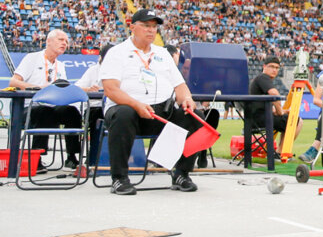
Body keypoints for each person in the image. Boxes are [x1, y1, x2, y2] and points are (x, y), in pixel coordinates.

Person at [101, 10, 203, 195]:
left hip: (161, 112)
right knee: (124, 113)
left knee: (195, 115)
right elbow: (111, 89)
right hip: (128, 111)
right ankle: (119, 178)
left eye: (154, 27)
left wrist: (187, 99)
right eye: (146, 25)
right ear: (132, 27)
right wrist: (136, 105)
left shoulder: (163, 54)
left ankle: (181, 173)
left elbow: (180, 86)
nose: (151, 30)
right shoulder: (117, 53)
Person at [10, 29, 83, 171]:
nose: (64, 43)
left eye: (66, 41)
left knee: (71, 111)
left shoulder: (61, 66)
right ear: (48, 41)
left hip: (52, 106)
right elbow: (13, 82)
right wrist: (38, 88)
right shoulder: (32, 58)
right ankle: (37, 157)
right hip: (28, 108)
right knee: (44, 111)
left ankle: (72, 156)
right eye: (61, 40)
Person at [166, 44, 220, 168]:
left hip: (197, 111)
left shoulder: (198, 82)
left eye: (188, 69)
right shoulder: (174, 81)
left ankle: (202, 151)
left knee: (213, 114)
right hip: (181, 112)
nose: (186, 71)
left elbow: (206, 100)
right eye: (184, 68)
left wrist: (204, 105)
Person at [248, 55, 302, 149]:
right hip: (259, 120)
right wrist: (280, 111)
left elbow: (261, 104)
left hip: (255, 119)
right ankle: (282, 151)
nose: (274, 70)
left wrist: (278, 111)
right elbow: (274, 93)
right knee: (296, 120)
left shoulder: (260, 79)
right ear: (264, 67)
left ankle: (280, 151)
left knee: (288, 118)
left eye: (277, 68)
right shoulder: (263, 77)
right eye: (272, 67)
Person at [76, 43, 112, 169]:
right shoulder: (93, 70)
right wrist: (89, 89)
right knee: (98, 116)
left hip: (113, 106)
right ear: (100, 58)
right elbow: (76, 88)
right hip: (95, 107)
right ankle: (94, 158)